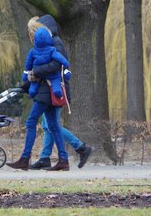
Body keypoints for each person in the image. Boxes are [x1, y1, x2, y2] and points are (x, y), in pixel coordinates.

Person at [7, 14, 91, 171]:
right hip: (49, 90)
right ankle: (57, 159)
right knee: (51, 125)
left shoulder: (54, 44)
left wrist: (35, 72)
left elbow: (56, 66)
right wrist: (25, 85)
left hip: (51, 90)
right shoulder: (49, 44)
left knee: (36, 123)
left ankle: (29, 158)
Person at [23, 26, 69, 98]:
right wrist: (66, 64)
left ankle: (32, 90)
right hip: (50, 73)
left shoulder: (32, 51)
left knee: (34, 82)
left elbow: (28, 63)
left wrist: (26, 73)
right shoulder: (52, 50)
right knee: (56, 78)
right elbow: (60, 58)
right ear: (48, 38)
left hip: (37, 72)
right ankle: (57, 90)